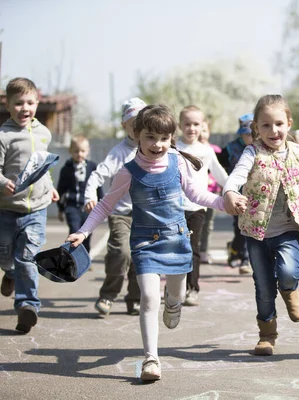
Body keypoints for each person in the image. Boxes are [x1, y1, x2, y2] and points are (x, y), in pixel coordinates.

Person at [66, 104, 243, 381]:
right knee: (149, 297)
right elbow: (104, 205)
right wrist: (83, 232)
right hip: (145, 243)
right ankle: (151, 358)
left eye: (163, 138)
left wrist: (225, 204)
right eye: (150, 137)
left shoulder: (178, 161)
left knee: (177, 295)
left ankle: (174, 303)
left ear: (170, 137)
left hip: (176, 240)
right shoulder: (128, 171)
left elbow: (197, 194)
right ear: (137, 135)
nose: (157, 144)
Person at [222, 94, 299, 356]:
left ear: (289, 124)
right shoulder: (252, 153)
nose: (274, 131)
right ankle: (267, 335)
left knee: (287, 271)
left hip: (288, 229)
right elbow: (236, 176)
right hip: (256, 231)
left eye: (279, 124)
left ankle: (290, 289)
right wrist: (229, 192)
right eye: (266, 125)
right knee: (262, 286)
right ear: (257, 129)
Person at [0, 77, 60, 333]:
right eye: (18, 103)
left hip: (36, 209)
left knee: (27, 257)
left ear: (37, 102)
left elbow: (41, 166)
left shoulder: (43, 133)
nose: (25, 108)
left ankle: (28, 306)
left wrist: (51, 186)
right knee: (5, 255)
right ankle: (9, 272)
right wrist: (2, 181)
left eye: (30, 102)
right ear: (8, 105)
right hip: (7, 209)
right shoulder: (4, 135)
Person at [84, 97, 146, 317]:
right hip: (121, 214)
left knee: (141, 258)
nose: (138, 128)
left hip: (146, 215)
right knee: (121, 253)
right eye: (133, 123)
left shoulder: (154, 147)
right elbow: (98, 174)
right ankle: (108, 295)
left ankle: (135, 299)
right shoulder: (119, 152)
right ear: (124, 126)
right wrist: (90, 194)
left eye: (142, 122)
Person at [177, 105, 228, 306]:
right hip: (174, 207)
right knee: (173, 248)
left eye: (196, 124)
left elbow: (220, 174)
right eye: (187, 124)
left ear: (202, 125)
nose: (191, 128)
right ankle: (173, 287)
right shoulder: (173, 148)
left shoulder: (205, 151)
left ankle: (192, 289)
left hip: (197, 208)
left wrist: (235, 189)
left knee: (192, 248)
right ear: (180, 125)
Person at [217, 112, 254, 274]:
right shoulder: (230, 149)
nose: (249, 137)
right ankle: (235, 250)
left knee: (252, 227)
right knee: (239, 228)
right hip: (236, 194)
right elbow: (218, 167)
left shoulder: (261, 147)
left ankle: (245, 258)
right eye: (246, 134)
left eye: (252, 133)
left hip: (255, 194)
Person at [57, 135, 104, 252]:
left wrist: (102, 206)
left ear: (87, 151)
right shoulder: (66, 169)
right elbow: (61, 189)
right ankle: (72, 259)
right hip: (72, 207)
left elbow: (98, 188)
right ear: (70, 151)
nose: (79, 154)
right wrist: (60, 208)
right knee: (74, 230)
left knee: (86, 234)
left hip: (88, 207)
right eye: (76, 151)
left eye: (82, 151)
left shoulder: (93, 167)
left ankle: (85, 257)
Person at [198, 119, 222, 265]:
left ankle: (203, 250)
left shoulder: (215, 151)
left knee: (208, 223)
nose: (202, 134)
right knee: (194, 222)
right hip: (193, 195)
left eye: (205, 130)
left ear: (209, 132)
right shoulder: (188, 150)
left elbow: (220, 171)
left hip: (211, 193)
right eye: (199, 130)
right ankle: (192, 249)